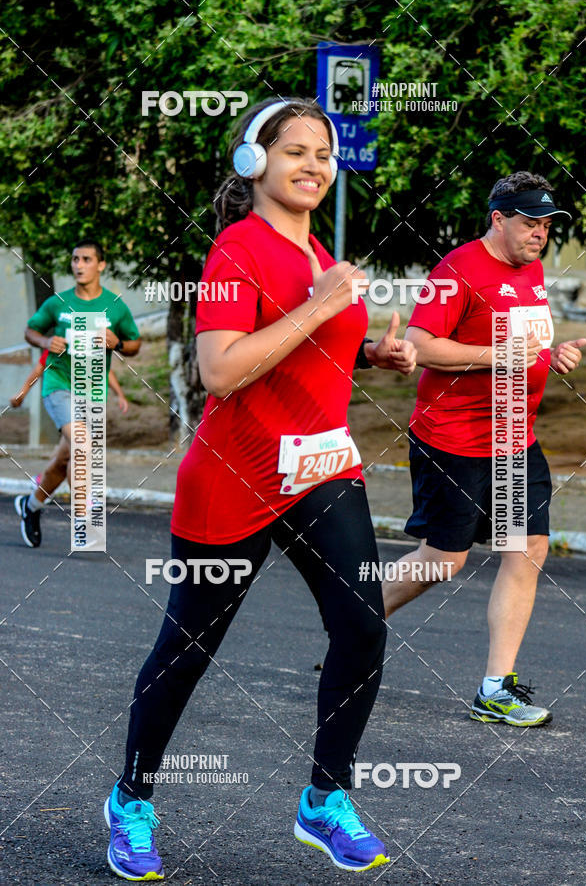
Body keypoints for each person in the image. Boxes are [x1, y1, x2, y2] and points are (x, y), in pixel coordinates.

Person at [103, 97, 417, 881]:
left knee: (363, 627)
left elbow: (311, 355)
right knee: (189, 646)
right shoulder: (235, 253)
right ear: (256, 163)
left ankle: (325, 798)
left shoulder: (322, 257)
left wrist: (375, 353)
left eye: (324, 154)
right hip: (234, 474)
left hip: (320, 469)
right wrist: (321, 307)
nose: (313, 166)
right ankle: (131, 800)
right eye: (295, 152)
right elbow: (221, 370)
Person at [383, 171, 586, 727]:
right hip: (453, 440)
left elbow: (527, 345)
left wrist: (553, 355)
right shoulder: (458, 270)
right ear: (498, 218)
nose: (539, 234)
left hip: (515, 439)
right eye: (529, 223)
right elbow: (421, 346)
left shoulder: (534, 269)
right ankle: (354, 622)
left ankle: (496, 689)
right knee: (443, 562)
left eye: (546, 225)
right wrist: (503, 356)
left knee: (527, 549)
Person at [14, 240, 140, 547]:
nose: (79, 265)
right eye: (74, 259)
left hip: (92, 393)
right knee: (81, 443)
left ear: (101, 265)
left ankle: (30, 507)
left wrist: (117, 343)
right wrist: (45, 343)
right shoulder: (58, 303)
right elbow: (31, 330)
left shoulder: (116, 306)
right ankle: (84, 513)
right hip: (58, 385)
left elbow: (134, 344)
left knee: (62, 460)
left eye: (86, 259)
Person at [11, 348, 129, 499]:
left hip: (86, 403)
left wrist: (120, 394)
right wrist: (22, 394)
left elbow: (105, 369)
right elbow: (40, 366)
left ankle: (33, 499)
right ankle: (85, 503)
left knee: (65, 454)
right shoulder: (62, 339)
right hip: (64, 399)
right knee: (80, 446)